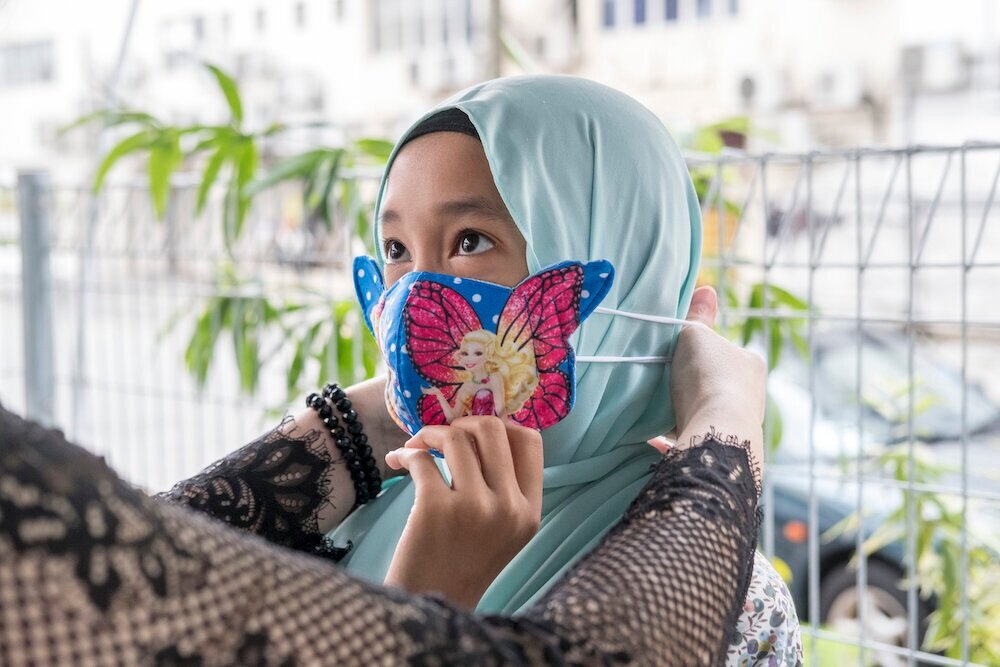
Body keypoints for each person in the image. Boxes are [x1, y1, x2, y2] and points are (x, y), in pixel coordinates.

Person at [0, 291, 765, 664]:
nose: (419, 289)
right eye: (396, 251)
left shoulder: (757, 602)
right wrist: (727, 423)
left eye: (470, 242)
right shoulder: (386, 524)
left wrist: (376, 413)